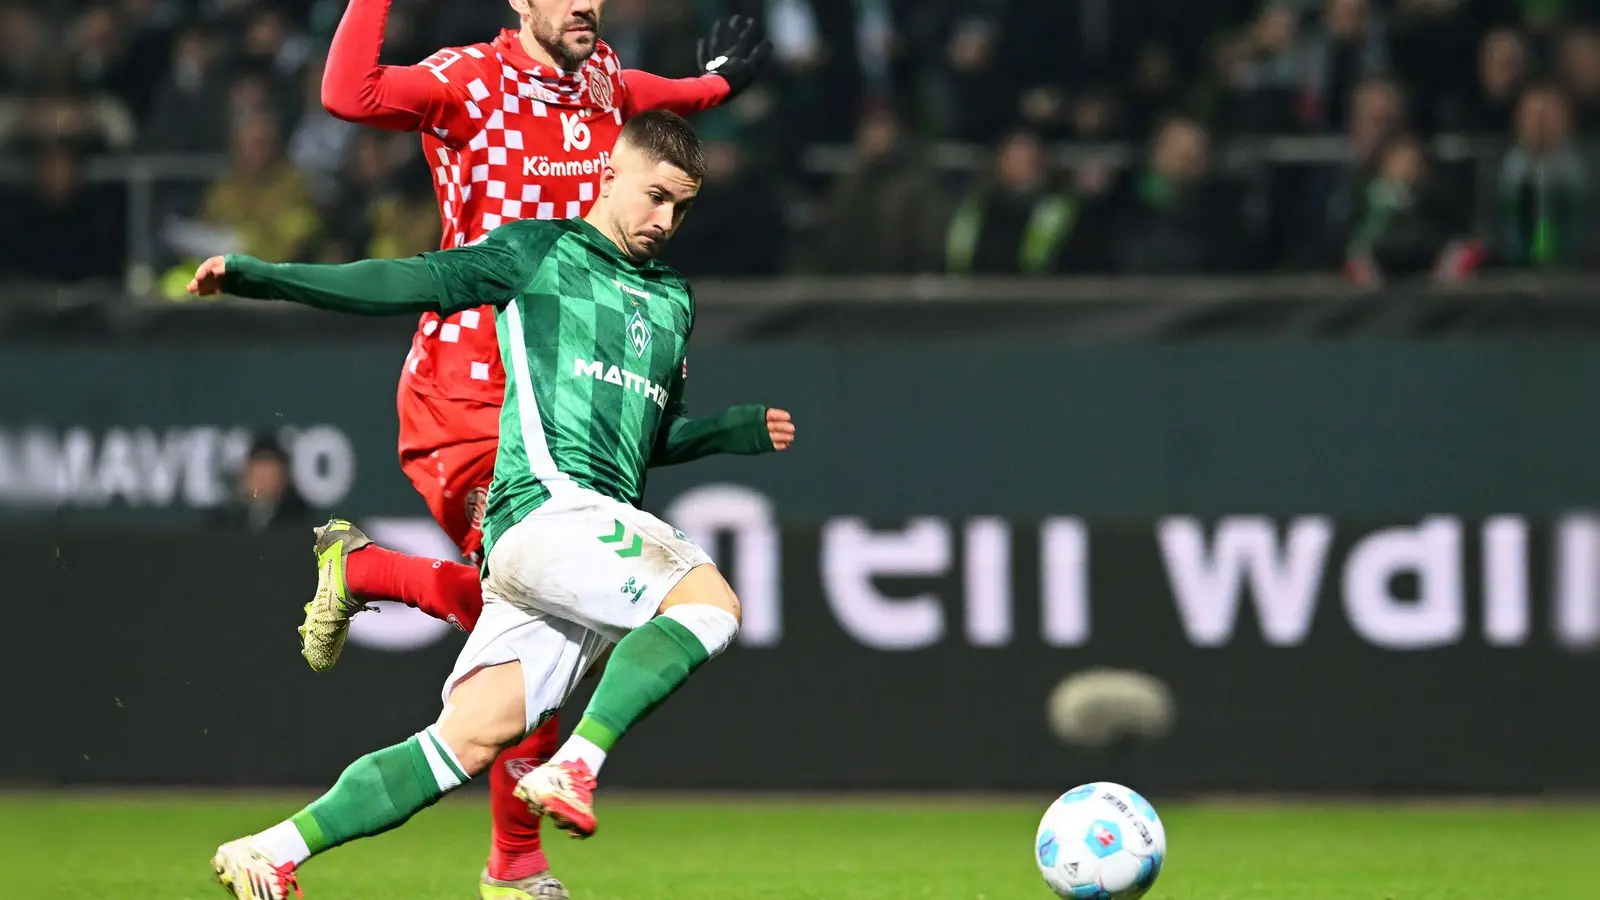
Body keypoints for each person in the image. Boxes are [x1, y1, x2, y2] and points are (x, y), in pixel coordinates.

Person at [199, 110, 795, 900]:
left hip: (571, 544)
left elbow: (637, 437)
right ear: (609, 172)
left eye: (681, 207)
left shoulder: (673, 301)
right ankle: (576, 764)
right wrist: (260, 276)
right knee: (710, 604)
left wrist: (727, 431)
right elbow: (399, 280)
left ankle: (271, 849)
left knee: (461, 744)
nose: (665, 220)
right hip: (546, 512)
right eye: (654, 196)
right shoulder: (537, 252)